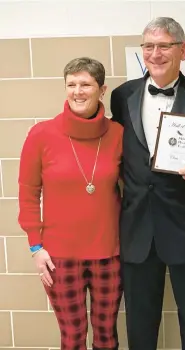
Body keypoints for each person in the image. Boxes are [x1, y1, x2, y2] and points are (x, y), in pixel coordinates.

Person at [110, 17, 185, 350]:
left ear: (182, 50)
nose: (155, 54)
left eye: (164, 46)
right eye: (148, 46)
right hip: (137, 230)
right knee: (140, 329)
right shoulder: (121, 96)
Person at [18, 57, 124, 350]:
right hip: (58, 256)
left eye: (86, 84)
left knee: (106, 336)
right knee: (73, 337)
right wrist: (35, 247)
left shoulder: (117, 134)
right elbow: (28, 193)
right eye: (72, 84)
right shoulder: (41, 134)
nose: (78, 91)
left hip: (108, 253)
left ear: (101, 90)